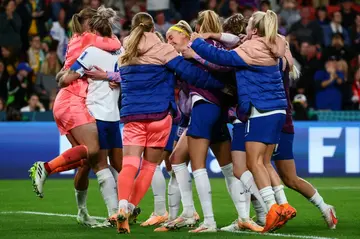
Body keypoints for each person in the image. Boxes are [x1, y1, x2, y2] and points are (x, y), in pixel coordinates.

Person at [103, 12, 225, 234]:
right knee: (149, 167)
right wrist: (221, 85)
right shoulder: (162, 50)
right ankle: (130, 208)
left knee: (130, 164)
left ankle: (122, 205)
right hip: (160, 117)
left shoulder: (124, 52)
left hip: (133, 118)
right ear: (152, 29)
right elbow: (191, 74)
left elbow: (122, 80)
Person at [188, 10, 295, 233]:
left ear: (255, 30)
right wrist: (216, 35)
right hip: (277, 110)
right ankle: (282, 206)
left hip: (260, 109)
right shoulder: (274, 43)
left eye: (249, 27)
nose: (245, 30)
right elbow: (236, 40)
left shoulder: (252, 48)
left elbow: (222, 58)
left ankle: (273, 209)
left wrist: (198, 43)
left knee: (254, 162)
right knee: (264, 162)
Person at [29, 6, 122, 227]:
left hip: (67, 100)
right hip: (73, 99)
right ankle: (46, 168)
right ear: (92, 23)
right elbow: (115, 43)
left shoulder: (77, 38)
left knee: (85, 161)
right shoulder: (89, 37)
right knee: (94, 151)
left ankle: (82, 212)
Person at [271, 47, 338, 230]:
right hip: (283, 122)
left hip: (273, 122)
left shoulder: (269, 61)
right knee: (290, 178)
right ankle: (325, 207)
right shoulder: (281, 61)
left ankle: (267, 213)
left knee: (254, 165)